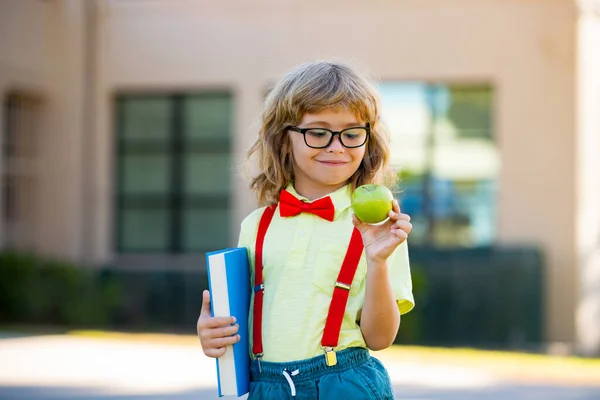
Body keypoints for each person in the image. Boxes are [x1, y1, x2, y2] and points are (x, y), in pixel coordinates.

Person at [197, 61, 415, 399]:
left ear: (367, 139)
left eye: (352, 133)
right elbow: (238, 319)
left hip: (344, 383)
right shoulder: (256, 226)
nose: (336, 146)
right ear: (284, 140)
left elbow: (380, 338)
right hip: (266, 386)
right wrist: (212, 332)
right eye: (318, 132)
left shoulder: (380, 229)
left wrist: (378, 261)